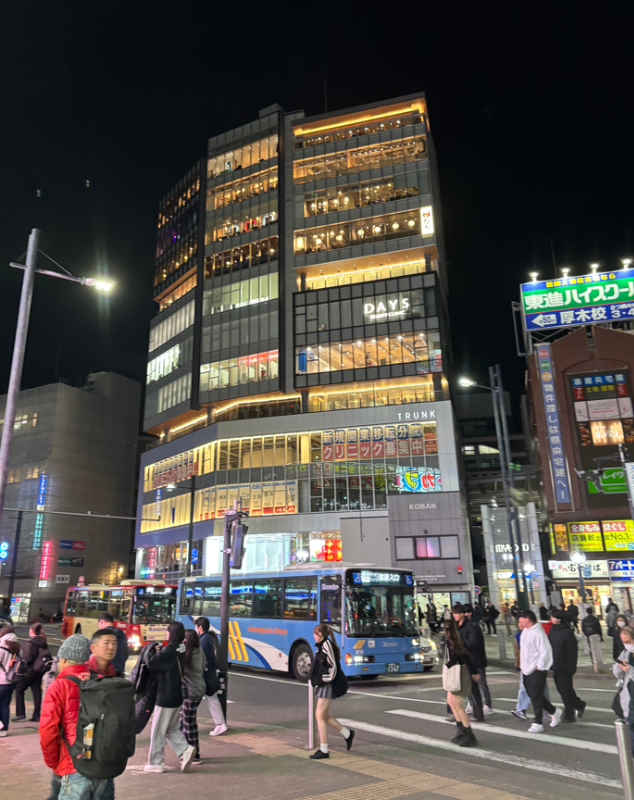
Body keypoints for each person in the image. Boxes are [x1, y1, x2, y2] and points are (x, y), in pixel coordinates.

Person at [39, 634, 114, 800]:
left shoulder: (58, 686)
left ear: (64, 660)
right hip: (102, 765)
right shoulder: (103, 682)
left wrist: (53, 762)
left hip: (74, 766)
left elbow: (48, 730)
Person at [144, 621, 196, 773]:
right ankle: (185, 749)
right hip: (177, 695)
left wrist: (150, 649)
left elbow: (151, 663)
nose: (166, 635)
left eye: (168, 632)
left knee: (158, 731)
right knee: (171, 728)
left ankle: (156, 762)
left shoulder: (169, 650)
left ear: (171, 634)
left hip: (165, 696)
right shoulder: (181, 648)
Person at [309, 623, 353, 759]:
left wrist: (324, 679)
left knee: (319, 715)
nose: (313, 637)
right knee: (324, 715)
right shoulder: (322, 645)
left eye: (315, 635)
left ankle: (324, 749)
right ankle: (347, 734)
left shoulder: (327, 646)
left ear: (320, 634)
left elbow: (333, 667)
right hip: (325, 683)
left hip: (327, 684)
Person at [519, 610, 561, 733]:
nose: (520, 622)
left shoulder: (538, 633)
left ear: (527, 619)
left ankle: (538, 722)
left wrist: (541, 666)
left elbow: (545, 650)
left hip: (537, 669)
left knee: (536, 696)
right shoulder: (525, 632)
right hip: (526, 668)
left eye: (521, 619)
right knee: (533, 693)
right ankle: (553, 711)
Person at [441, 617, 478, 747]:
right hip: (460, 674)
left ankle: (468, 733)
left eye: (445, 629)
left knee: (457, 704)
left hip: (460, 676)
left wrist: (474, 672)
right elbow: (466, 658)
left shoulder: (452, 643)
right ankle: (461, 730)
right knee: (451, 702)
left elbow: (460, 659)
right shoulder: (454, 642)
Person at [453, 603, 492, 717]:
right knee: (468, 685)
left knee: (481, 684)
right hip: (465, 660)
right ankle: (473, 706)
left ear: (463, 614)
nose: (455, 616)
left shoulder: (472, 626)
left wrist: (460, 643)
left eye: (457, 613)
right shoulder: (457, 626)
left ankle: (487, 706)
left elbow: (474, 642)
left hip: (476, 660)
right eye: (454, 613)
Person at [548, 609, 587, 723]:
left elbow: (572, 651)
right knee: (562, 689)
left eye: (553, 617)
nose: (551, 619)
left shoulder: (567, 632)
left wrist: (571, 667)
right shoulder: (552, 629)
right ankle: (578, 704)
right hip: (555, 663)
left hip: (565, 665)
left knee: (565, 689)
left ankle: (569, 713)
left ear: (559, 619)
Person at [194, 617, 227, 736]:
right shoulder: (208, 638)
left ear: (200, 627)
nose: (195, 628)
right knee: (211, 699)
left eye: (196, 626)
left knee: (194, 700)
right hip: (210, 675)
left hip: (206, 676)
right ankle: (220, 724)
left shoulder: (203, 640)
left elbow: (203, 660)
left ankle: (220, 724)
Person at [14, 621, 51, 722]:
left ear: (31, 631)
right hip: (39, 671)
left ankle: (20, 713)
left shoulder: (29, 644)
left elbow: (27, 659)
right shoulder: (44, 643)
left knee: (19, 689)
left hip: (29, 672)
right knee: (36, 692)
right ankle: (37, 714)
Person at [179, 629, 206, 765]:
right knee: (186, 720)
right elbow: (204, 666)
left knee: (188, 723)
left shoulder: (186, 654)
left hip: (191, 691)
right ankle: (188, 751)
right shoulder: (199, 651)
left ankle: (194, 754)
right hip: (200, 688)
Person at [613, 624, 634, 753]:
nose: (626, 645)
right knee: (631, 734)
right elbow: (619, 676)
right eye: (623, 642)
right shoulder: (626, 653)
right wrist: (619, 668)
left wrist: (631, 670)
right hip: (630, 699)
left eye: (628, 642)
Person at [0, 627, 20, 736]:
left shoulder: (1, 648)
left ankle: (0, 726)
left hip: (1, 681)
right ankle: (4, 730)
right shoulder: (17, 647)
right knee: (4, 705)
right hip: (12, 681)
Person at [581, 606, 605, 672]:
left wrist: (587, 635)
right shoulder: (595, 619)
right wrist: (600, 636)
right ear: (592, 612)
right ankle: (598, 666)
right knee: (597, 651)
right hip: (595, 635)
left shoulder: (584, 620)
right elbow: (598, 628)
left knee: (592, 650)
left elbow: (583, 629)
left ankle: (594, 663)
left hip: (589, 636)